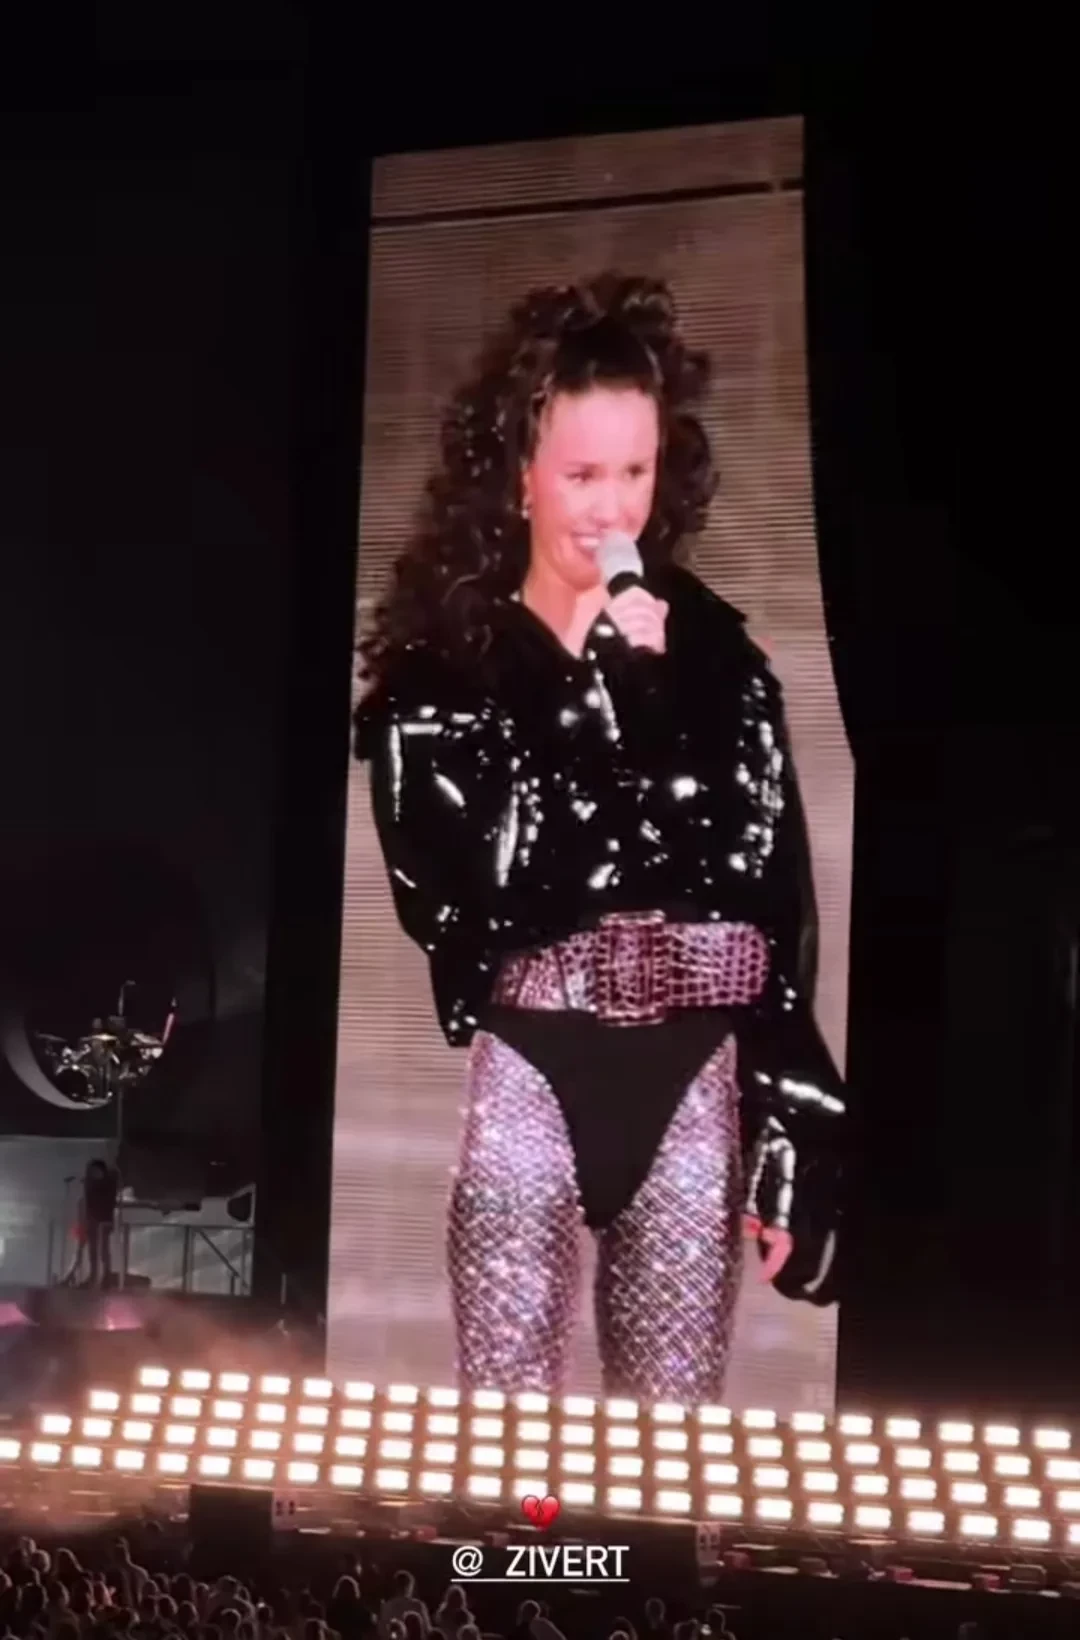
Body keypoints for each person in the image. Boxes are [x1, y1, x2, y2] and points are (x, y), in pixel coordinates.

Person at [355, 272, 845, 1402]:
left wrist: (799, 1121)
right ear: (518, 473)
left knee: (665, 1438)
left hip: (692, 1067)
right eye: (582, 474)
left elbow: (774, 902)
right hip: (535, 1053)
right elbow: (456, 899)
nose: (612, 509)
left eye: (636, 470)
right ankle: (521, 1533)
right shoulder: (445, 674)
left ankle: (637, 1545)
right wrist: (593, 700)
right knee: (509, 1426)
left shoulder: (715, 657)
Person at [81, 1160, 119, 1289]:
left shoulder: (108, 1184)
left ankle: (106, 1276)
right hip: (92, 1221)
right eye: (93, 1172)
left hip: (103, 1221)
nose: (94, 1174)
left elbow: (109, 1201)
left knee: (103, 1250)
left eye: (96, 1171)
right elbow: (88, 1204)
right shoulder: (89, 1184)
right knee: (93, 1250)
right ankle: (93, 1276)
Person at [376, 1574, 428, 1640]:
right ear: (409, 1586)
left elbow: (381, 1631)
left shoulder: (386, 1606)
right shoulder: (417, 1605)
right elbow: (427, 1631)